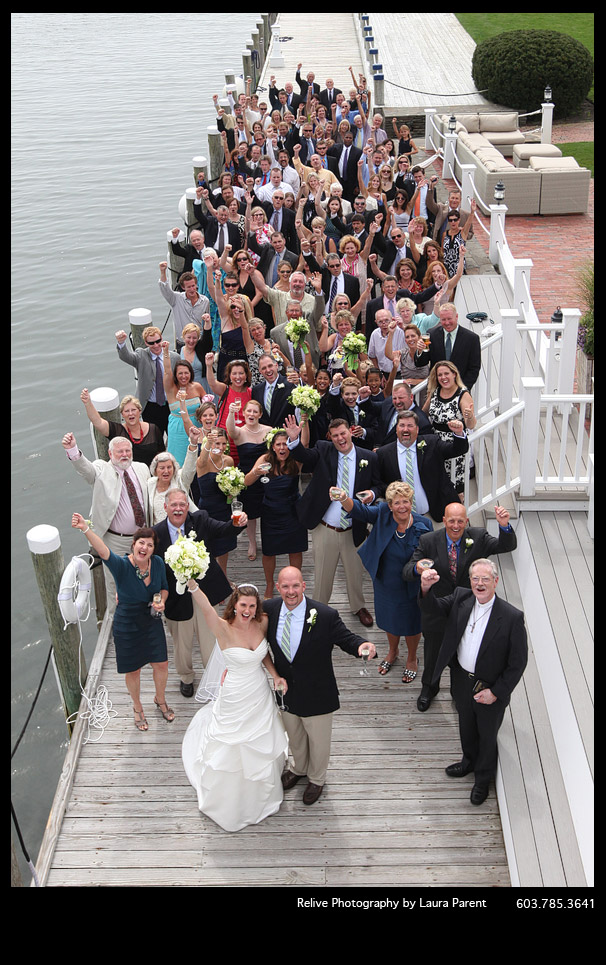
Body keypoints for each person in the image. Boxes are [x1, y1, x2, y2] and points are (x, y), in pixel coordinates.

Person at [264, 566, 377, 805]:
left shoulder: (325, 615)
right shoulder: (269, 610)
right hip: (286, 691)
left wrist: (362, 646)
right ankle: (298, 768)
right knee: (294, 736)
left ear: (304, 586)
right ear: (278, 587)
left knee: (318, 741)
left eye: (296, 586)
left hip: (317, 690)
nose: (291, 591)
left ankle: (317, 779)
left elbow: (347, 638)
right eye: (285, 586)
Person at [181, 581, 289, 831]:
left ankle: (261, 794)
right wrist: (193, 586)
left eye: (252, 605)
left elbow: (263, 654)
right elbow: (206, 607)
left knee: (259, 741)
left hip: (259, 691)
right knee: (232, 744)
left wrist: (274, 675)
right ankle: (227, 800)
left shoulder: (262, 621)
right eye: (243, 605)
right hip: (234, 694)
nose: (248, 610)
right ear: (235, 604)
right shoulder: (222, 627)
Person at [420, 558, 528, 805]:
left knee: (487, 735)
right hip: (461, 681)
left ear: (496, 582)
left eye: (485, 579)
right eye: (475, 579)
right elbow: (434, 609)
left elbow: (517, 664)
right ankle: (468, 762)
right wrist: (426, 588)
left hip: (489, 689)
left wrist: (497, 692)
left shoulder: (511, 617)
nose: (480, 584)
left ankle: (482, 779)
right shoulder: (461, 597)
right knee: (466, 727)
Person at [404, 501, 517, 712]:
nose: (456, 526)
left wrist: (504, 526)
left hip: (467, 611)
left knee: (462, 656)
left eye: (460, 521)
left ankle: (458, 693)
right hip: (437, 609)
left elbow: (506, 546)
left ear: (466, 521)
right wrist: (419, 569)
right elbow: (407, 569)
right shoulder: (428, 540)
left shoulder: (479, 537)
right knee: (433, 654)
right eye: (451, 521)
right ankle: (429, 688)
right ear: (444, 520)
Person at [71, 513, 171, 732]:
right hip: (126, 623)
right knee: (133, 670)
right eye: (141, 543)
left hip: (151, 621)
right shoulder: (121, 565)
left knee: (161, 663)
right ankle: (137, 707)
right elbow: (103, 550)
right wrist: (84, 528)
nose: (145, 548)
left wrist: (161, 601)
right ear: (133, 545)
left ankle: (160, 699)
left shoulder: (158, 563)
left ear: (154, 549)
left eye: (150, 545)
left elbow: (164, 587)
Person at [285, 417, 381, 628]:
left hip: (353, 527)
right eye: (335, 435)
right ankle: (318, 609)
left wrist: (372, 495)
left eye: (343, 433)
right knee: (322, 574)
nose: (340, 439)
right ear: (331, 437)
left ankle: (358, 606)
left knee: (355, 572)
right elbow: (305, 457)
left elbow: (379, 485)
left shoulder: (368, 458)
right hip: (325, 526)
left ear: (350, 432)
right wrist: (294, 440)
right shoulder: (323, 449)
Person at [154, 488, 248, 698]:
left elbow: (224, 530)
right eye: (174, 505)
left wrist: (237, 523)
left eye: (182, 505)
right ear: (165, 507)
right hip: (176, 600)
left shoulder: (201, 519)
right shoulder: (157, 533)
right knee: (182, 644)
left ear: (188, 506)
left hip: (205, 593)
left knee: (210, 640)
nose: (178, 509)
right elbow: (152, 567)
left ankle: (213, 677)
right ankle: (186, 677)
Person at [337, 481, 432, 681]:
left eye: (406, 501)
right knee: (390, 620)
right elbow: (359, 511)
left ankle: (412, 658)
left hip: (412, 583)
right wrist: (344, 498)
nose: (402, 507)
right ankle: (393, 651)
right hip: (385, 581)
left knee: (412, 623)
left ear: (411, 502)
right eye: (397, 503)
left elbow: (430, 554)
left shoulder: (424, 525)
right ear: (390, 505)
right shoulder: (382, 513)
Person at [62, 433, 151, 614]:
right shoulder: (101, 469)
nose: (124, 454)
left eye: (127, 451)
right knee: (114, 582)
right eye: (120, 452)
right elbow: (86, 470)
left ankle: (144, 612)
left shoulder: (142, 468)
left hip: (142, 537)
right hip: (115, 539)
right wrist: (73, 450)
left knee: (145, 576)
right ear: (110, 454)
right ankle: (115, 618)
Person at [245, 422, 309, 600]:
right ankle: (270, 583)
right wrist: (256, 472)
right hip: (271, 512)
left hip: (292, 512)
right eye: (278, 444)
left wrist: (305, 420)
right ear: (272, 447)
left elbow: (305, 444)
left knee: (295, 550)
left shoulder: (296, 460)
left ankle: (295, 582)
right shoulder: (265, 460)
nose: (282, 448)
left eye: (285, 444)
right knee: (269, 551)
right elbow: (246, 481)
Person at [377, 410, 468, 522]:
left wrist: (459, 434)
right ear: (396, 429)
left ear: (417, 429)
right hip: (403, 519)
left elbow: (457, 450)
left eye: (410, 425)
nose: (405, 429)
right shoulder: (383, 453)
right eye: (402, 425)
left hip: (435, 514)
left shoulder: (432, 442)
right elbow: (379, 484)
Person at [226, 397, 274, 562]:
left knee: (267, 509)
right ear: (244, 413)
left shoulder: (269, 430)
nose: (252, 414)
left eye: (255, 411)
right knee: (251, 514)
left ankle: (268, 541)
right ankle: (252, 542)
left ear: (260, 414)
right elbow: (230, 429)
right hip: (248, 477)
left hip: (267, 476)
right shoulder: (240, 432)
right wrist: (232, 412)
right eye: (249, 411)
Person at [423, 360, 477, 495]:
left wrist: (469, 416)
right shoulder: (435, 392)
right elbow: (423, 413)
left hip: (455, 445)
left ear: (454, 374)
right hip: (436, 443)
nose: (443, 378)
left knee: (455, 486)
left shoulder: (463, 394)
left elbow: (471, 424)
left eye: (446, 373)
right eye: (439, 375)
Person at [115, 326, 180, 435]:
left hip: (171, 405)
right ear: (146, 343)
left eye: (158, 341)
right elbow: (126, 357)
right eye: (151, 343)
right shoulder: (141, 356)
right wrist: (121, 342)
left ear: (162, 338)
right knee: (154, 438)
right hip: (150, 407)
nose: (155, 345)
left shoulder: (174, 357)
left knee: (174, 435)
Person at [79, 389, 164, 468]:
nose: (130, 414)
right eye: (126, 411)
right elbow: (98, 422)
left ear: (140, 411)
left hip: (150, 474)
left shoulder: (153, 429)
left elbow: (161, 454)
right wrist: (88, 403)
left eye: (133, 410)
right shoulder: (117, 431)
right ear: (122, 414)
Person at [414, 302, 482, 391]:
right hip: (437, 389)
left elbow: (474, 368)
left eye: (449, 319)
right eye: (443, 319)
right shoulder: (432, 335)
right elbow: (420, 363)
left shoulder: (471, 338)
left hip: (460, 391)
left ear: (456, 317)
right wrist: (420, 351)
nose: (447, 323)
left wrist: (463, 389)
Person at [160, 346, 205, 466]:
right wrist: (165, 352)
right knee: (179, 460)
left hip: (196, 425)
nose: (183, 376)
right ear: (175, 375)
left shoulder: (197, 386)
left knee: (197, 458)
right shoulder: (171, 388)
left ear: (191, 373)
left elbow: (207, 404)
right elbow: (167, 370)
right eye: (180, 373)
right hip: (178, 427)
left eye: (186, 373)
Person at [205, 356, 252, 464]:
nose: (238, 377)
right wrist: (209, 365)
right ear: (229, 376)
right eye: (234, 374)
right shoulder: (225, 389)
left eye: (241, 373)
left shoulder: (251, 393)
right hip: (224, 440)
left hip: (242, 440)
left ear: (246, 375)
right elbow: (212, 383)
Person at [158, 263, 210, 349]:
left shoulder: (205, 301)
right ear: (183, 287)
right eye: (188, 287)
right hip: (182, 343)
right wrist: (163, 272)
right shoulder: (176, 298)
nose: (192, 289)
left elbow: (206, 323)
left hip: (198, 341)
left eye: (193, 286)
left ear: (196, 285)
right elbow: (165, 288)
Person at [148, 446, 198, 523]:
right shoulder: (149, 484)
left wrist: (193, 445)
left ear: (174, 468)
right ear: (155, 470)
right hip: (157, 531)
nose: (166, 471)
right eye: (162, 468)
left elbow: (190, 468)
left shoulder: (179, 480)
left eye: (169, 467)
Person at [251, 352, 295, 428]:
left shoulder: (290, 384)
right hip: (265, 435)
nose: (268, 370)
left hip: (286, 433)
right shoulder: (256, 390)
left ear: (276, 366)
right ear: (260, 371)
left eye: (270, 366)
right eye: (264, 368)